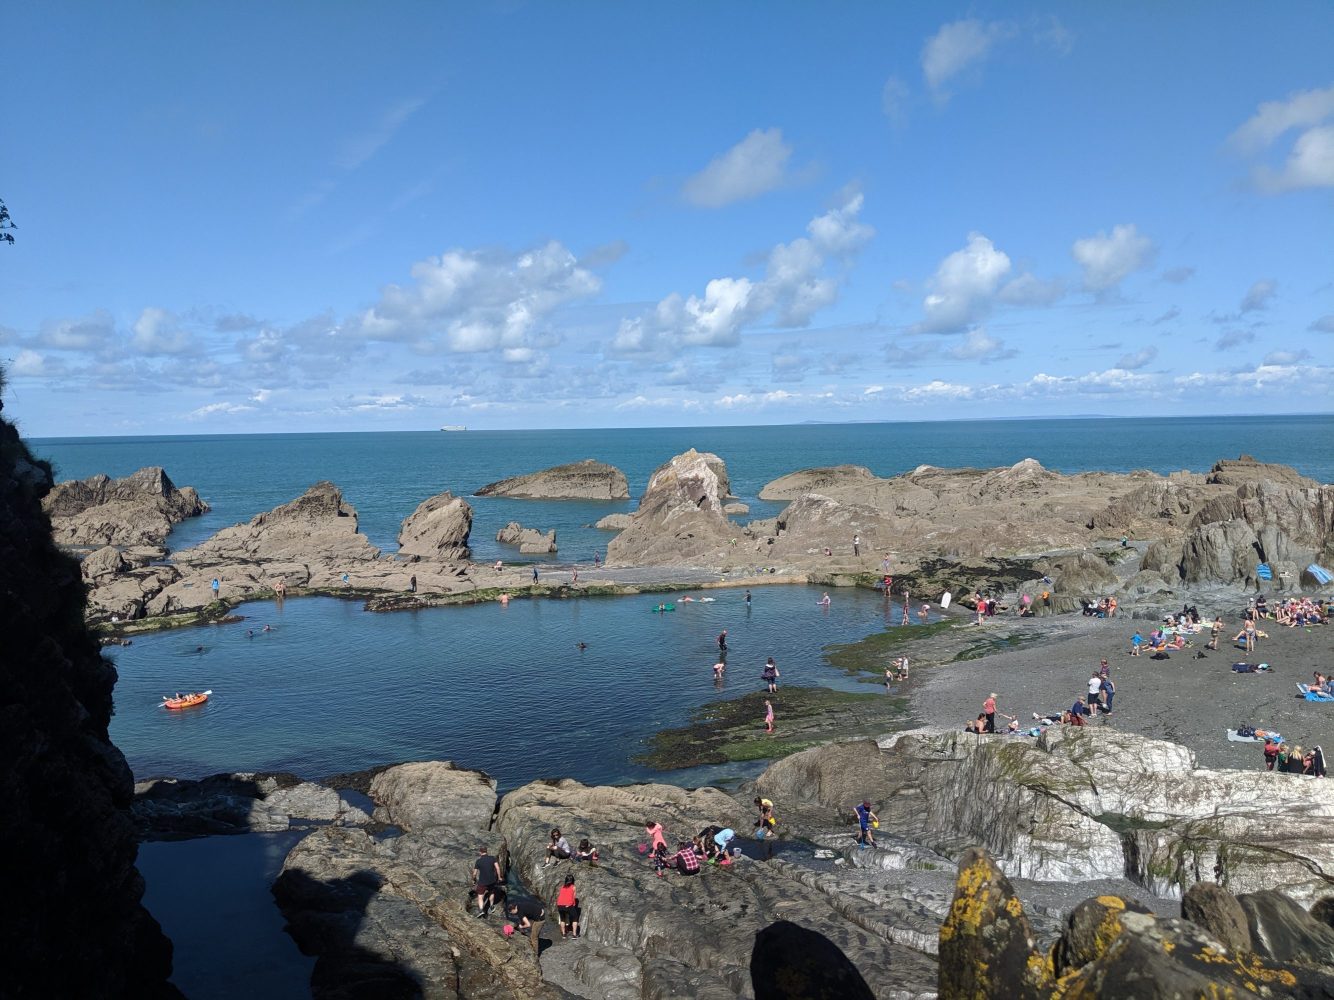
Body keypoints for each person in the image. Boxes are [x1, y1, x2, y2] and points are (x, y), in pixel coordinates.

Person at [472, 846, 502, 917]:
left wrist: (474, 880)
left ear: (480, 852)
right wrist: (499, 877)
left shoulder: (478, 861)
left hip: (482, 882)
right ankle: (491, 906)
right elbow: (497, 868)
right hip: (492, 881)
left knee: (480, 896)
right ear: (486, 851)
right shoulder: (492, 858)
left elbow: (474, 873)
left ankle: (481, 910)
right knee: (491, 893)